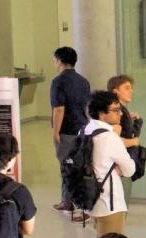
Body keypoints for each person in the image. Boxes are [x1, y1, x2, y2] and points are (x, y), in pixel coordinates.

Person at [84, 91, 136, 236]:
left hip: (91, 198)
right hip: (109, 201)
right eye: (115, 110)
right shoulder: (109, 137)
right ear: (101, 113)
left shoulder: (85, 130)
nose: (120, 113)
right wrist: (118, 168)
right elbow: (130, 169)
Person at [50, 46, 91, 222]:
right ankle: (66, 200)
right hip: (82, 127)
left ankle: (74, 204)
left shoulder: (58, 81)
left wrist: (55, 131)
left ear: (59, 60)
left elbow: (59, 109)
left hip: (67, 130)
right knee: (78, 165)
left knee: (67, 167)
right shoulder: (83, 81)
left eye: (54, 59)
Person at [107, 74, 143, 203]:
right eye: (127, 88)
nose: (131, 91)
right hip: (118, 166)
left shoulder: (122, 111)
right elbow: (112, 139)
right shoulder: (114, 113)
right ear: (115, 91)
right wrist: (133, 142)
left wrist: (136, 122)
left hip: (124, 163)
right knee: (119, 204)